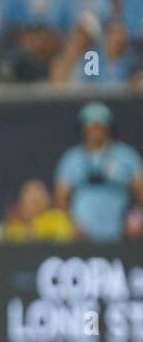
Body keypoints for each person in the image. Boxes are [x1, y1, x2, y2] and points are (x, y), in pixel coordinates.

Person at [54, 101, 143, 241]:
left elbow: (140, 192)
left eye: (99, 126)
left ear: (108, 127)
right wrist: (71, 224)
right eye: (90, 126)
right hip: (83, 235)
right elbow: (61, 198)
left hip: (119, 233)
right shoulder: (72, 159)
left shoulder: (126, 156)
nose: (95, 131)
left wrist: (136, 219)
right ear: (83, 129)